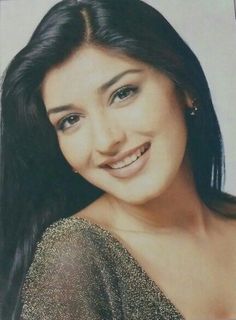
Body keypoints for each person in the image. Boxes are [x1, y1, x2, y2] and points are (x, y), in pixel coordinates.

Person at [1, 0, 236, 319]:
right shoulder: (75, 256)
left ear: (184, 87)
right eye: (70, 120)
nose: (106, 140)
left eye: (122, 93)